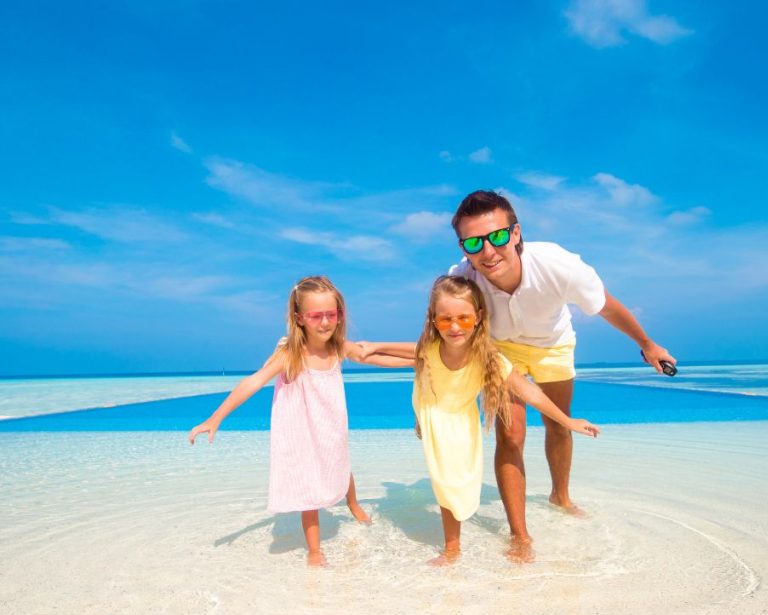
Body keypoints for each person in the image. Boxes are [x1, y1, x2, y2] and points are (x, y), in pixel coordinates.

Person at [448, 189, 675, 549]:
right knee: (510, 435)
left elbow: (607, 306)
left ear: (516, 233)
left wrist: (647, 344)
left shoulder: (558, 264)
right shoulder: (461, 282)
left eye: (498, 237)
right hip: (500, 348)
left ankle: (561, 497)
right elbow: (443, 332)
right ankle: (519, 535)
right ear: (464, 249)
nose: (488, 251)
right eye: (474, 243)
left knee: (558, 422)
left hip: (552, 344)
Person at [362, 276, 599, 565]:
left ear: (478, 318)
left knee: (458, 483)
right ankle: (452, 548)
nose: (455, 326)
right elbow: (388, 353)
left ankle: (480, 542)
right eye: (446, 319)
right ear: (434, 320)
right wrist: (361, 349)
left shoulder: (490, 358)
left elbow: (530, 393)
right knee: (443, 481)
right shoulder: (429, 348)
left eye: (463, 317)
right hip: (434, 416)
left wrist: (567, 421)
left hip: (461, 423)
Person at [188, 275, 412, 566]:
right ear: (299, 318)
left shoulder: (337, 346)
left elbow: (375, 357)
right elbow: (253, 382)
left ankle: (352, 503)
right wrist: (215, 418)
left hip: (330, 420)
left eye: (331, 314)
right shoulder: (290, 353)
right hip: (302, 426)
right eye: (316, 315)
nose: (324, 322)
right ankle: (315, 551)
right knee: (310, 487)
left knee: (339, 462)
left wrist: (418, 361)